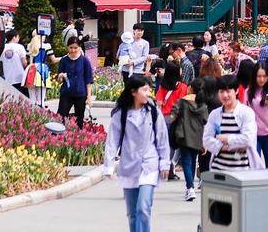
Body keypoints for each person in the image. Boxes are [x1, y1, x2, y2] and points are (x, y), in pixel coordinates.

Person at [103, 73, 170, 232]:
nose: (148, 93)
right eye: (145, 90)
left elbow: (162, 139)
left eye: (149, 90)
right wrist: (109, 166)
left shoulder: (153, 112)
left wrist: (165, 163)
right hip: (129, 166)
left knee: (143, 209)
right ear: (133, 92)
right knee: (132, 214)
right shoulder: (121, 114)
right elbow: (112, 141)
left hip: (149, 165)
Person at [203, 77, 261, 171]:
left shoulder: (246, 112)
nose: (225, 95)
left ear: (236, 91)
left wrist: (226, 139)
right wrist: (226, 146)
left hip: (242, 170)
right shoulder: (214, 114)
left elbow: (247, 139)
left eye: (228, 91)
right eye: (221, 91)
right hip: (218, 169)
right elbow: (206, 140)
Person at [169, 78, 209, 201]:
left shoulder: (182, 102)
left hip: (184, 135)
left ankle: (190, 188)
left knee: (186, 161)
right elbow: (206, 121)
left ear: (191, 88)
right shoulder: (202, 104)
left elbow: (173, 116)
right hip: (197, 136)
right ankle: (189, 186)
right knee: (192, 161)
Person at [51, 37, 94, 129]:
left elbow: (89, 80)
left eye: (75, 47)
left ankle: (77, 139)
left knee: (79, 119)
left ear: (79, 47)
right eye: (71, 47)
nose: (73, 50)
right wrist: (60, 76)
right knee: (60, 117)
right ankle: (58, 137)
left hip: (80, 94)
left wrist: (89, 97)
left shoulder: (84, 61)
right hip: (66, 93)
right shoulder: (64, 60)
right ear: (67, 47)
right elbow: (59, 81)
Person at [0, 29, 28, 94]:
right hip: (20, 78)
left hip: (8, 78)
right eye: (18, 37)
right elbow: (24, 63)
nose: (18, 39)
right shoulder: (20, 47)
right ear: (14, 37)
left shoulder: (2, 48)